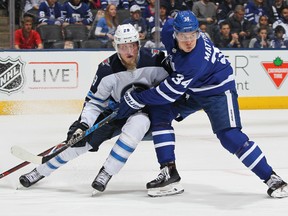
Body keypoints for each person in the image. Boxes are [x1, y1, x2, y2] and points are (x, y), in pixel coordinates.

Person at [115, 10, 288, 198]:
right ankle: (169, 171)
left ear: (198, 32)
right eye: (183, 36)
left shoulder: (194, 61)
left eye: (193, 35)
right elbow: (172, 21)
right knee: (159, 112)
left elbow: (166, 93)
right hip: (193, 88)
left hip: (218, 90)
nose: (189, 41)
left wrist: (136, 99)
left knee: (229, 136)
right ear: (174, 33)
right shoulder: (167, 30)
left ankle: (273, 179)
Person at [18, 24, 178, 196]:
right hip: (117, 112)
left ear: (138, 44)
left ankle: (107, 172)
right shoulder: (106, 69)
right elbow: (94, 102)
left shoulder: (156, 60)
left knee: (139, 122)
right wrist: (83, 125)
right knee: (80, 142)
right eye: (123, 47)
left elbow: (173, 83)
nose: (129, 51)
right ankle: (39, 172)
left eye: (132, 45)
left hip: (148, 114)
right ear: (116, 47)